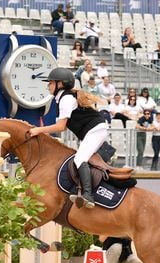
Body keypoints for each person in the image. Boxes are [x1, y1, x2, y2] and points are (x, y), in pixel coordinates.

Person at [27, 68, 108, 208]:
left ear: (60, 84)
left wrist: (38, 130)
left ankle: (88, 195)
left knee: (80, 158)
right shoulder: (63, 98)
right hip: (94, 130)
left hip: (95, 130)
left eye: (51, 83)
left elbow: (60, 127)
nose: (48, 86)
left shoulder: (66, 98)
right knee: (81, 158)